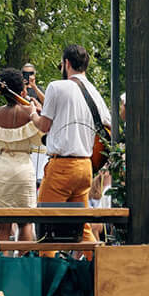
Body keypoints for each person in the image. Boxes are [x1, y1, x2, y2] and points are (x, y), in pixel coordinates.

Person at [34, 45, 110, 242]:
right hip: (85, 166)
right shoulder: (94, 92)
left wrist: (32, 114)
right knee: (83, 227)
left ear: (66, 63)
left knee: (46, 227)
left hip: (62, 166)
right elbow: (108, 125)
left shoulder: (56, 87)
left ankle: (47, 271)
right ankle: (99, 267)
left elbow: (44, 125)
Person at [0, 66, 45, 243]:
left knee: (3, 225)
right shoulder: (30, 112)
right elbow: (43, 137)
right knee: (25, 223)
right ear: (22, 89)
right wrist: (36, 110)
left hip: (0, 167)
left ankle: (3, 267)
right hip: (22, 167)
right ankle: (23, 267)